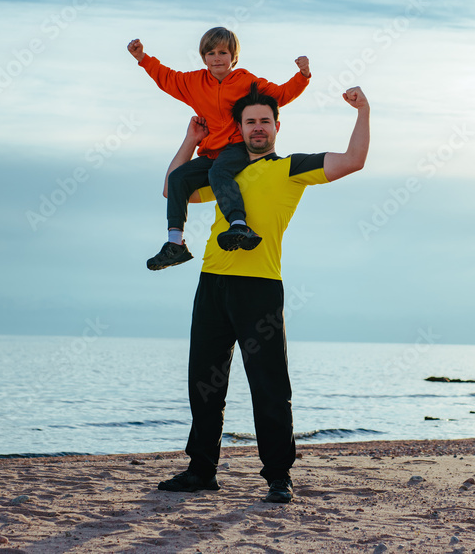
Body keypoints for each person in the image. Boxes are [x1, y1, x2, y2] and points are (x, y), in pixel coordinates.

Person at [156, 83, 371, 504]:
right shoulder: (222, 173)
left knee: (270, 386)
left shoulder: (291, 167)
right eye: (250, 121)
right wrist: (191, 141)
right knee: (204, 383)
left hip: (260, 289)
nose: (258, 128)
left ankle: (278, 476)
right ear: (239, 127)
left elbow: (353, 161)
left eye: (265, 121)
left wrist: (363, 111)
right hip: (212, 282)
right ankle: (201, 471)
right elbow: (172, 189)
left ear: (277, 126)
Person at [127, 27, 310, 271]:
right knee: (177, 178)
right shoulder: (194, 83)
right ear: (203, 57)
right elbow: (167, 78)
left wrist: (303, 75)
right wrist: (142, 58)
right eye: (211, 53)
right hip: (211, 152)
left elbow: (280, 95)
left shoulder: (247, 81)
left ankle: (238, 224)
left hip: (237, 148)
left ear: (233, 57)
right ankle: (175, 243)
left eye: (223, 52)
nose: (216, 58)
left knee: (219, 172)